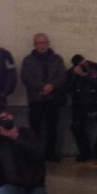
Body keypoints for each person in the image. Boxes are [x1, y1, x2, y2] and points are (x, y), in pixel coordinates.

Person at [20, 33, 67, 162]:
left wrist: (51, 86)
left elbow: (62, 76)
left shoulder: (57, 59)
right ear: (34, 45)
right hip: (36, 99)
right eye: (38, 43)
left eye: (44, 42)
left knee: (52, 128)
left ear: (48, 43)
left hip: (53, 99)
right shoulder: (28, 60)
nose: (41, 45)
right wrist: (41, 87)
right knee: (35, 129)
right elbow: (26, 78)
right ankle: (36, 154)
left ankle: (50, 153)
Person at [67, 55, 97, 162]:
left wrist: (85, 76)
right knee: (77, 127)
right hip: (80, 104)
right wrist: (75, 75)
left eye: (83, 63)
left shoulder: (96, 68)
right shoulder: (71, 72)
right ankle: (84, 152)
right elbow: (67, 88)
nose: (83, 65)